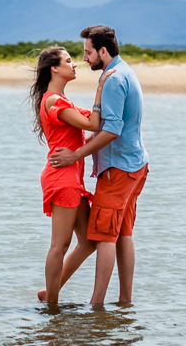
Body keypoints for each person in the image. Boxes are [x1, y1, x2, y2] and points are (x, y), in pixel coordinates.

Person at [49, 25, 149, 306]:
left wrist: (75, 155)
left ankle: (96, 306)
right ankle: (125, 301)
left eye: (88, 52)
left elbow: (112, 130)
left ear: (103, 51)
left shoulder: (114, 79)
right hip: (135, 165)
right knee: (122, 235)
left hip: (119, 170)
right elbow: (107, 127)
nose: (85, 59)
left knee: (104, 236)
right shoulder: (123, 70)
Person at [29, 45, 105, 306]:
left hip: (73, 178)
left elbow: (98, 117)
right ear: (54, 68)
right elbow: (93, 124)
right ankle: (51, 306)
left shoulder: (63, 101)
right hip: (62, 177)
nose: (75, 64)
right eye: (69, 60)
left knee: (88, 242)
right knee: (59, 245)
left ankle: (48, 293)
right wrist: (100, 87)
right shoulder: (53, 101)